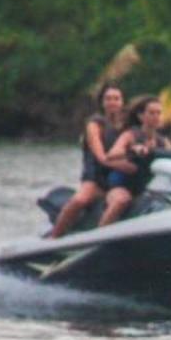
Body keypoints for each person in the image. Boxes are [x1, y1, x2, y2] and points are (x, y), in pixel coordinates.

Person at [46, 83, 129, 239]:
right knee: (79, 200)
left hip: (118, 180)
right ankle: (54, 238)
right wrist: (125, 166)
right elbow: (100, 156)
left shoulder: (127, 127)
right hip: (95, 179)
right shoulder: (94, 123)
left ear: (122, 102)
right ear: (102, 102)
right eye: (108, 99)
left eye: (116, 99)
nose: (112, 102)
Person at [96, 95, 171, 227]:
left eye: (159, 113)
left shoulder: (164, 142)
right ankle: (98, 236)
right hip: (123, 186)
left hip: (148, 187)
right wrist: (132, 149)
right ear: (141, 116)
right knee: (122, 200)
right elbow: (111, 155)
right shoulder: (130, 135)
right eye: (151, 113)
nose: (156, 116)